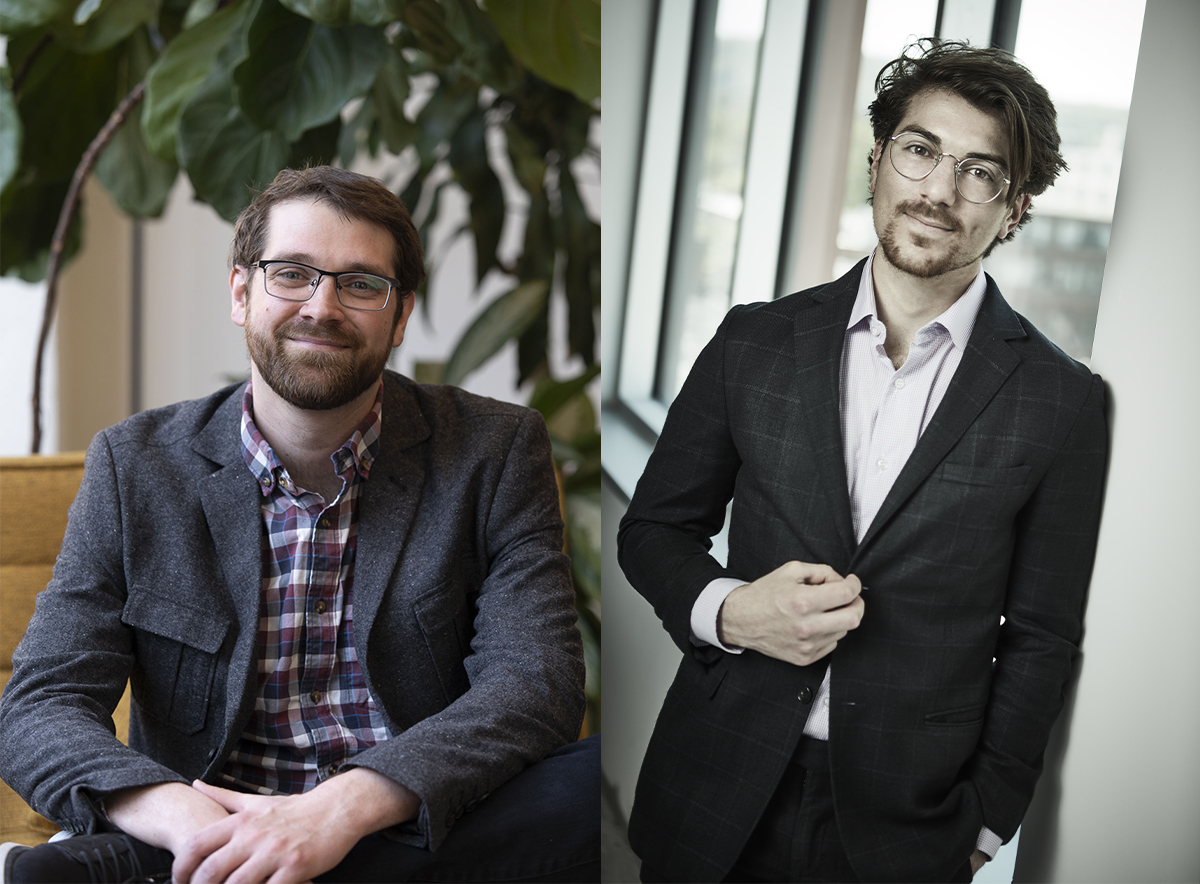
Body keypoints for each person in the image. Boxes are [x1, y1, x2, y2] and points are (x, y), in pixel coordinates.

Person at [0, 166, 598, 883]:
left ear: (400, 315)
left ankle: (134, 868)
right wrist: (174, 813)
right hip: (211, 828)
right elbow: (44, 702)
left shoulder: (493, 451)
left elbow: (534, 683)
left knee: (607, 779)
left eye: (361, 284)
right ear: (240, 292)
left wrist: (336, 813)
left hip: (405, 820)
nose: (323, 306)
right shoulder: (135, 466)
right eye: (292, 274)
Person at [618, 40, 1107, 883]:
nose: (939, 191)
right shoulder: (754, 340)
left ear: (1016, 208)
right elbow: (655, 529)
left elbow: (1042, 636)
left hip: (906, 826)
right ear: (879, 158)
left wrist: (989, 821)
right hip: (715, 777)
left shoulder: (1063, 403)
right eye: (920, 151)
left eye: (979, 172)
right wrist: (729, 611)